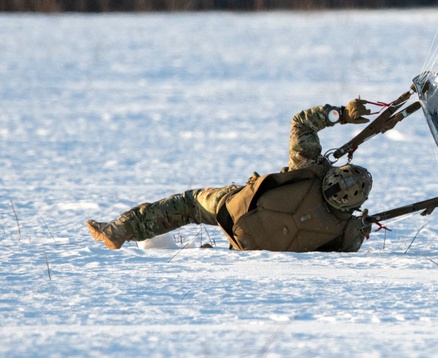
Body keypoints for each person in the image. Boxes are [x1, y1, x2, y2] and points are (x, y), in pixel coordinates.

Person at [86, 99, 376, 252]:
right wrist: (362, 227)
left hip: (234, 210)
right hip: (250, 250)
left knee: (188, 205)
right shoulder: (345, 232)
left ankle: (119, 230)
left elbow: (301, 122)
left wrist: (340, 114)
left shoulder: (307, 165)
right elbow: (350, 244)